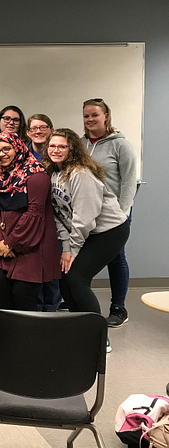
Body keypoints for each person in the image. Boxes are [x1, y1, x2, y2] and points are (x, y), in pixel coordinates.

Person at [46, 129, 129, 323]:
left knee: (76, 278)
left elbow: (85, 218)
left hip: (110, 231)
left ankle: (99, 337)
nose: (56, 150)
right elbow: (59, 215)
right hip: (87, 231)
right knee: (65, 277)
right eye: (52, 146)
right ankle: (79, 329)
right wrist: (66, 247)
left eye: (62, 146)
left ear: (72, 148)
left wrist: (72, 251)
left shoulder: (81, 174)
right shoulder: (54, 173)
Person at [82, 98, 137, 328]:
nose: (90, 119)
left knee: (116, 259)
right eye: (86, 116)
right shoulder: (81, 144)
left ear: (106, 116)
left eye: (95, 115)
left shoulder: (120, 145)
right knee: (86, 259)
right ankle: (81, 300)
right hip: (89, 213)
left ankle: (118, 307)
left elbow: (129, 180)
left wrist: (123, 213)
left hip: (115, 215)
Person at [0, 132, 58, 311]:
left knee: (23, 298)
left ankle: (29, 338)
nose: (1, 154)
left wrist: (11, 243)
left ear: (18, 148)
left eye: (6, 149)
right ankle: (8, 338)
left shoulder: (37, 175)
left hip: (28, 247)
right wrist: (0, 243)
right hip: (2, 248)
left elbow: (34, 214)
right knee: (0, 292)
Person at [25, 113, 60, 312]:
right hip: (33, 217)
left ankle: (52, 309)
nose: (38, 131)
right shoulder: (23, 155)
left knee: (52, 268)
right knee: (35, 267)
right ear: (28, 133)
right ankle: (37, 310)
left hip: (57, 219)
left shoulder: (57, 154)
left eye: (43, 127)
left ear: (51, 130)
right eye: (34, 128)